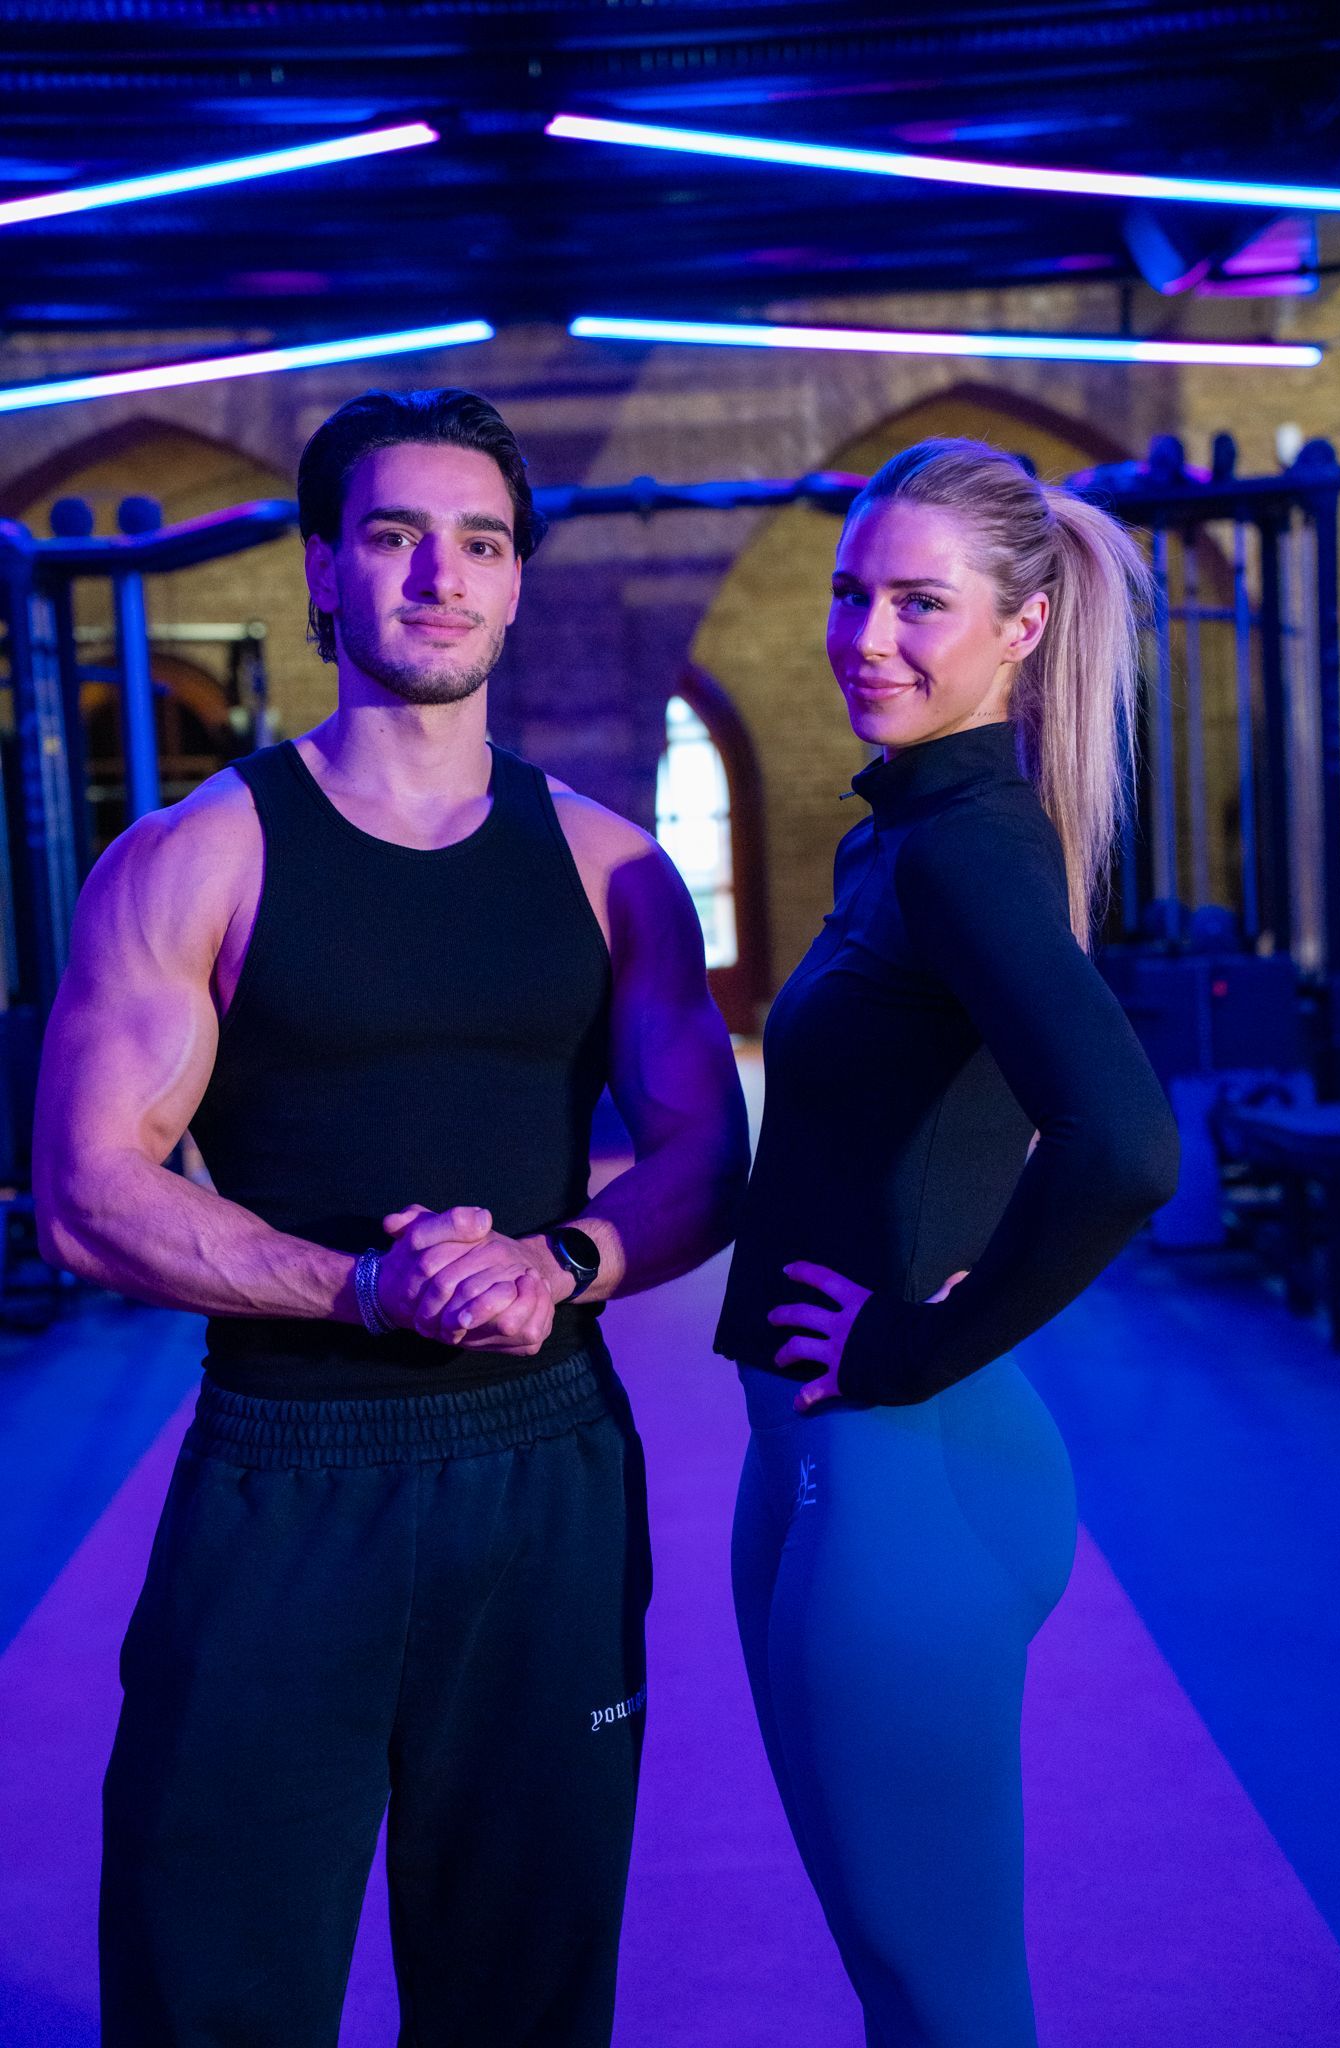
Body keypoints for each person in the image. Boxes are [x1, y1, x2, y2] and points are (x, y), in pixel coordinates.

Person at [33, 385, 749, 2048]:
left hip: (546, 1472)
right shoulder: (192, 858)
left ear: (515, 584)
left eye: (481, 542)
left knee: (528, 1986)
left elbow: (705, 1154)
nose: (442, 575)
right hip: (288, 1477)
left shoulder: (610, 868)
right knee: (215, 1978)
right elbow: (85, 1196)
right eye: (396, 535)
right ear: (323, 577)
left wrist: (557, 1260)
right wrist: (362, 1288)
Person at [715, 438, 1180, 2047]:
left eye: (921, 603)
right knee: (894, 1978)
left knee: (947, 1991)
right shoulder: (899, 839)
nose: (868, 636)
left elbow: (1123, 1146)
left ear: (1021, 628)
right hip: (833, 1456)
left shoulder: (970, 845)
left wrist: (913, 1344)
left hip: (903, 1464)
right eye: (854, 595)